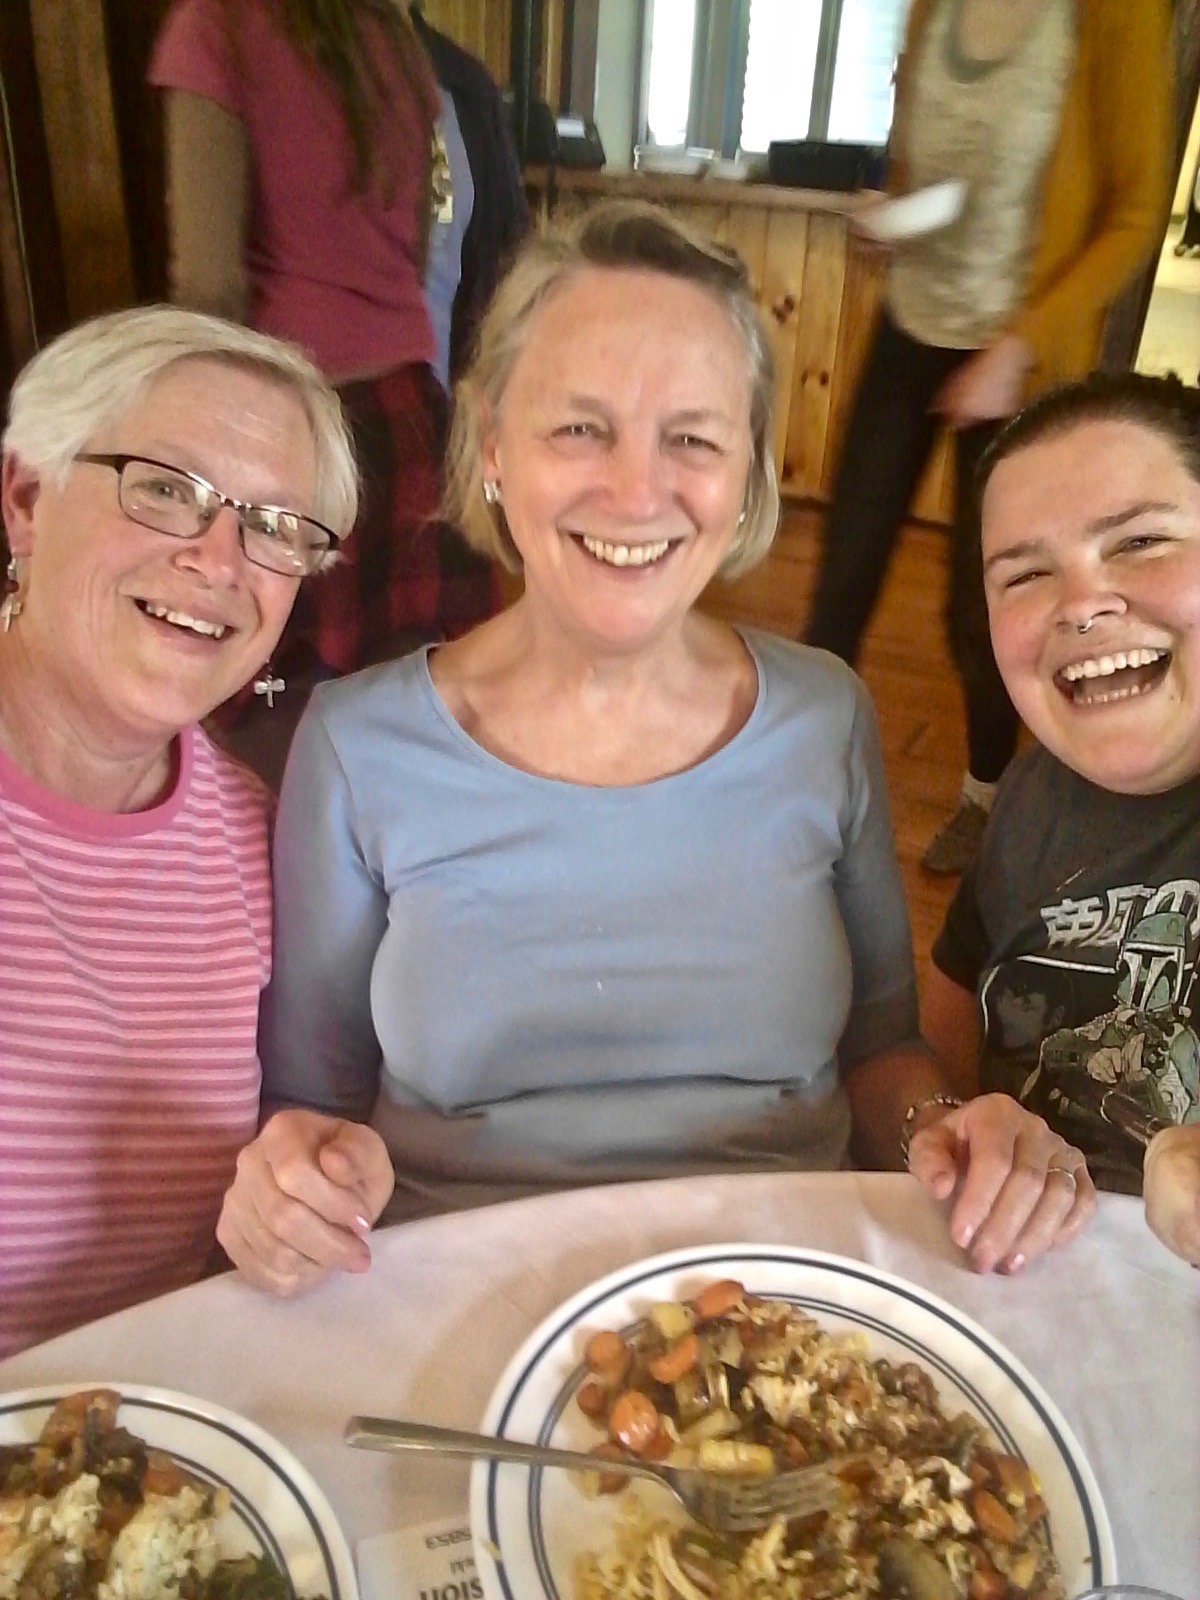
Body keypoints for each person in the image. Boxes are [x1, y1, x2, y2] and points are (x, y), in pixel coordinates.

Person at [215, 201, 1094, 1300]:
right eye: (580, 429)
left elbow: (880, 1047)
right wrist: (291, 1184)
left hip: (783, 1311)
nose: (637, 492)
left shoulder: (826, 716)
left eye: (693, 437)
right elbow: (311, 1100)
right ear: (491, 444)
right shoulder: (358, 747)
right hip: (457, 1307)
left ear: (747, 475)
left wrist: (941, 1125)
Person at [0, 305, 357, 1357]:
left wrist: (308, 1182)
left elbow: (260, 1183)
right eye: (164, 488)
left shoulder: (259, 841)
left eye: (275, 525)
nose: (219, 559)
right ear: (25, 498)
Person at [805, 0, 1172, 876]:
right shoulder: (932, 8)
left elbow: (1131, 217)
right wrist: (896, 215)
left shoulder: (1118, 17)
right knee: (844, 568)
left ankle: (985, 799)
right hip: (910, 329)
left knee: (982, 607)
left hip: (1020, 350)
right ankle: (792, 770)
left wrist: (1019, 345)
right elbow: (940, 172)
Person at [149, 0, 505, 786]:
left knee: (271, 722)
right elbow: (420, 251)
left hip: (288, 426)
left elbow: (207, 288)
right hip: (408, 419)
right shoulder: (395, 40)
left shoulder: (215, 25)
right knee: (413, 707)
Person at [924, 373, 1200, 1227]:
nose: (1080, 605)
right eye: (1025, 574)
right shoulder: (1029, 793)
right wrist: (946, 1127)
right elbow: (951, 996)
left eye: (1141, 541)